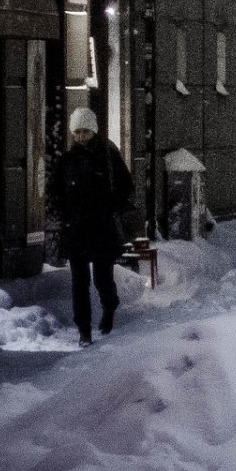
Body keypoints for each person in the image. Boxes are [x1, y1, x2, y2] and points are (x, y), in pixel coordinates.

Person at [48, 107, 133, 347]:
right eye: (77, 132)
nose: (81, 136)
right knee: (79, 283)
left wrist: (110, 207)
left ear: (94, 131)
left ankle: (109, 308)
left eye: (85, 131)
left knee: (102, 278)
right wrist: (64, 213)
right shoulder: (66, 161)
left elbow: (126, 186)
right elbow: (54, 192)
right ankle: (83, 330)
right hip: (76, 230)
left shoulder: (107, 156)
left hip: (102, 228)